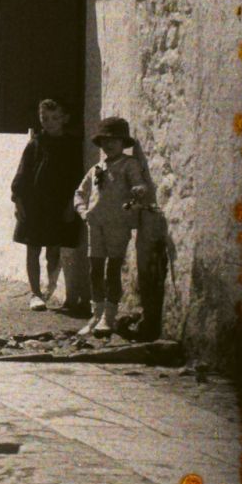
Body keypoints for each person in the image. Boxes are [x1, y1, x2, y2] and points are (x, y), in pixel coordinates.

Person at [72, 116, 157, 337]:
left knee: (113, 269)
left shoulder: (129, 164)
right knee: (95, 268)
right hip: (96, 223)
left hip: (118, 223)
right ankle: (96, 314)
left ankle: (108, 316)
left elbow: (139, 183)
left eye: (115, 140)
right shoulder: (96, 168)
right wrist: (83, 212)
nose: (109, 144)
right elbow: (80, 193)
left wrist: (139, 190)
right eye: (105, 140)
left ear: (123, 143)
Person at [11, 99, 80, 309]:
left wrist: (71, 205)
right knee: (33, 248)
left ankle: (51, 286)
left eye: (55, 118)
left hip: (58, 204)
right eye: (45, 119)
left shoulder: (72, 145)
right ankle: (35, 293)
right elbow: (22, 175)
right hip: (35, 204)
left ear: (65, 119)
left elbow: (77, 177)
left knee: (54, 248)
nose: (49, 123)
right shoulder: (35, 144)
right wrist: (18, 202)